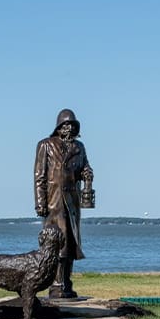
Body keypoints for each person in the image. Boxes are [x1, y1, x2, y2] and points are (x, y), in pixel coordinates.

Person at [34, 108, 94, 298]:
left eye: (72, 125)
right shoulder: (46, 145)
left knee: (72, 243)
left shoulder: (79, 147)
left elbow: (84, 167)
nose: (69, 128)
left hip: (72, 202)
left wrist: (87, 173)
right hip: (54, 202)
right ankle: (56, 284)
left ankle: (66, 282)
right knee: (57, 243)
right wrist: (40, 203)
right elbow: (39, 177)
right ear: (59, 127)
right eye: (66, 124)